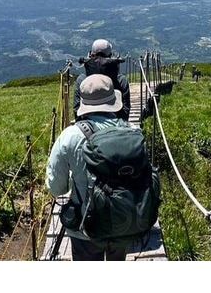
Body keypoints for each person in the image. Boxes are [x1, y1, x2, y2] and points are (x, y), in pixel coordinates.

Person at [46, 74, 160, 261]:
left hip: (84, 229)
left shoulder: (70, 136)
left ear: (83, 103)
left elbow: (57, 188)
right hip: (124, 222)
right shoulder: (132, 131)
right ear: (113, 100)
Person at [73, 38, 131, 121]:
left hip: (87, 127)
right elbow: (125, 110)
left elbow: (77, 108)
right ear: (110, 55)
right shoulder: (121, 80)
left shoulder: (82, 80)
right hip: (115, 126)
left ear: (90, 55)